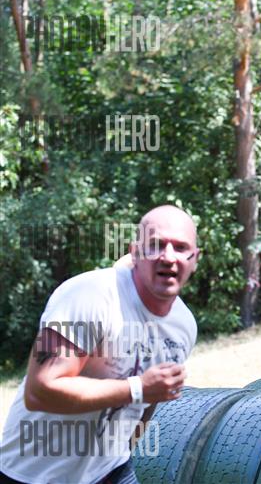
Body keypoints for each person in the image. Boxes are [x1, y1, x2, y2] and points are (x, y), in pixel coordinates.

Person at [0, 206, 200, 484]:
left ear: (195, 259)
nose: (168, 257)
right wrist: (138, 388)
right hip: (32, 474)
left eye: (180, 247)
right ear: (135, 252)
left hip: (112, 470)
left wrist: (126, 448)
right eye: (155, 245)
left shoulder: (184, 326)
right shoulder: (87, 295)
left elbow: (150, 400)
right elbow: (40, 391)